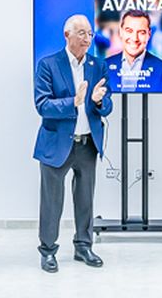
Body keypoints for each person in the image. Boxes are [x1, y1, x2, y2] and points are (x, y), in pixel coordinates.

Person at [33, 14, 113, 273]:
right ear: (67, 35)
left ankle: (83, 246)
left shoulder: (98, 65)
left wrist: (99, 101)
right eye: (81, 33)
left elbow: (107, 106)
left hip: (87, 144)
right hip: (56, 145)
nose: (87, 38)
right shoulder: (48, 65)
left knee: (85, 200)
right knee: (52, 202)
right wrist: (73, 102)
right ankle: (48, 251)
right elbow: (42, 105)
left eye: (90, 33)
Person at [107, 8, 162, 94]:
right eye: (129, 31)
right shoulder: (103, 66)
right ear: (121, 32)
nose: (135, 38)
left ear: (149, 34)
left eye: (141, 32)